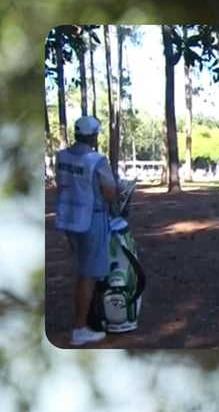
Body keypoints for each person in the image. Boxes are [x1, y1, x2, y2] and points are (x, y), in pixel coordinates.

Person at [54, 115, 118, 346]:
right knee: (88, 275)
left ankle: (87, 317)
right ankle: (79, 328)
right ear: (94, 136)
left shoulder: (61, 156)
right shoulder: (96, 161)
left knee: (84, 270)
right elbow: (110, 194)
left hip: (69, 219)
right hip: (92, 219)